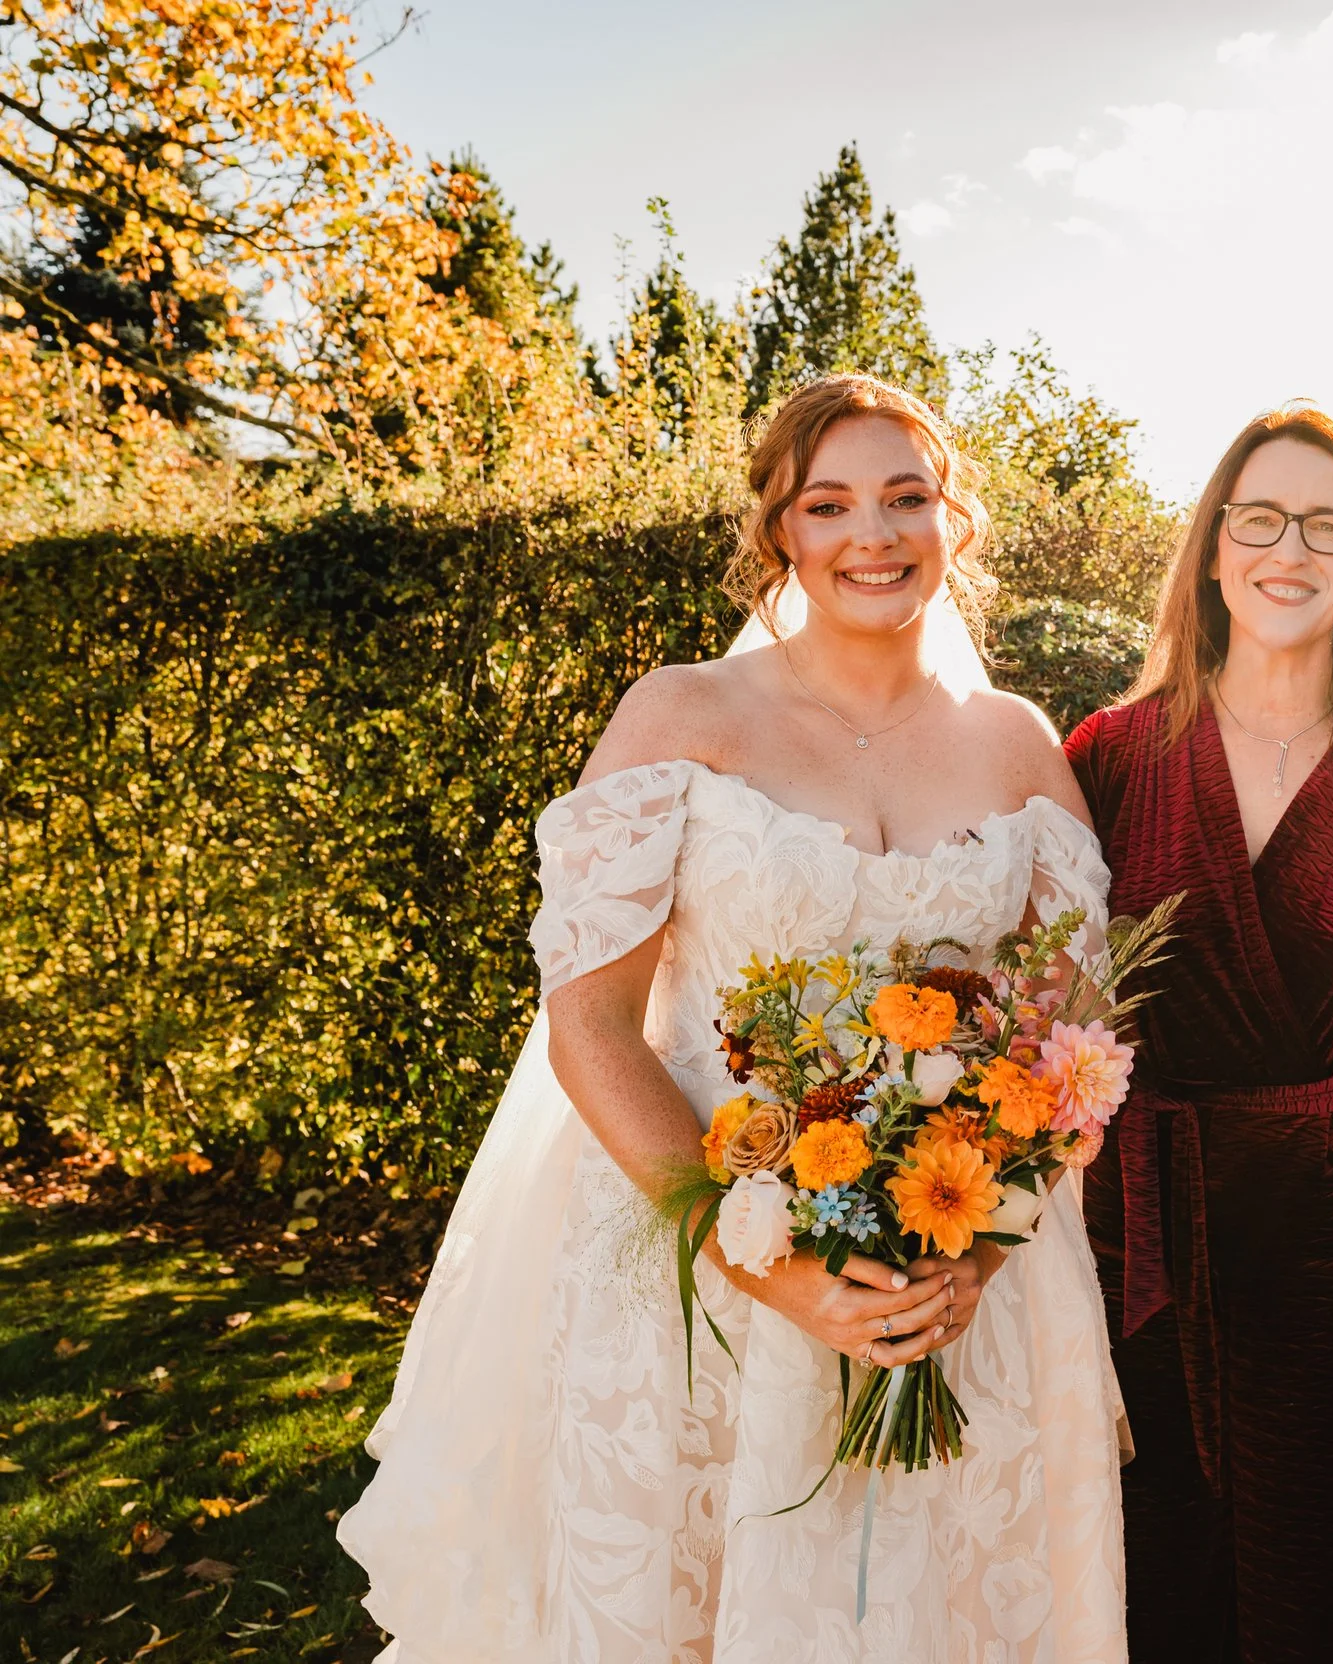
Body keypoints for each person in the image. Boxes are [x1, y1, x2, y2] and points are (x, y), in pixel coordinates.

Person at [339, 376, 1130, 1662]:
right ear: (781, 534)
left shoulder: (1020, 743)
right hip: (703, 1271)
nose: (871, 533)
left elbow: (1070, 1048)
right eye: (830, 504)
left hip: (958, 1281)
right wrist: (777, 1271)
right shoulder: (682, 717)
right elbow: (591, 1025)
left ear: (953, 522)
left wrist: (972, 1259)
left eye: (905, 496)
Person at [1068, 406, 1333, 1662]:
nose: (1290, 549)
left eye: (1328, 525)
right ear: (1215, 547)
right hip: (1143, 1223)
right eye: (1262, 517)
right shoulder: (1110, 757)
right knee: (1153, 1570)